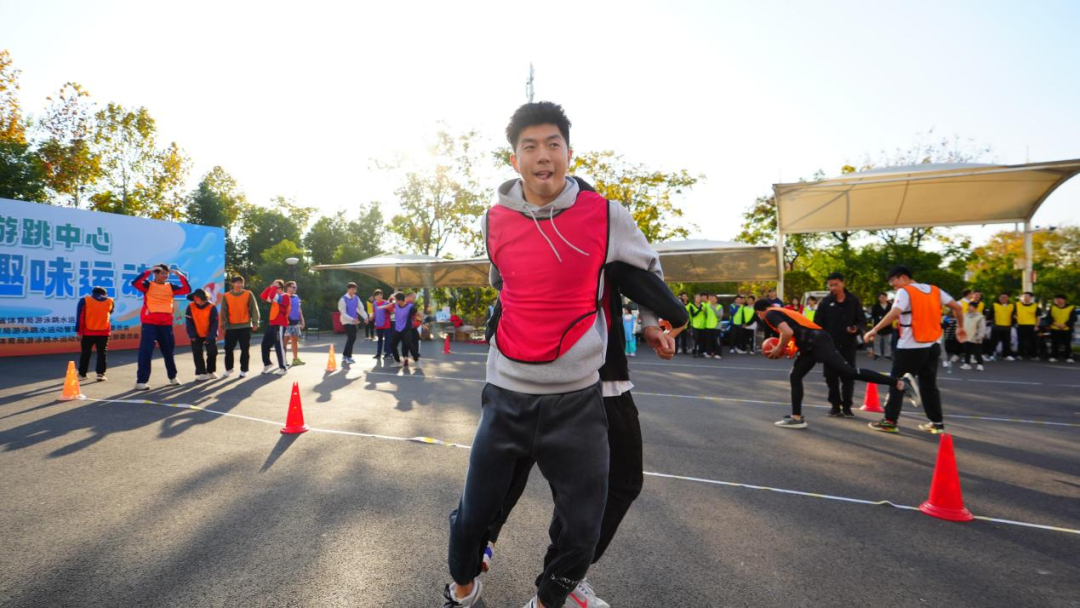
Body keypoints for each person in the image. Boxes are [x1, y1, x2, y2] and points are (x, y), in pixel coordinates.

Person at [443, 101, 667, 608]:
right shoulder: (494, 219)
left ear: (569, 153)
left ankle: (547, 600)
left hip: (579, 399)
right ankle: (463, 586)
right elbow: (503, 282)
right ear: (514, 158)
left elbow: (647, 271)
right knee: (474, 515)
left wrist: (652, 323)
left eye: (553, 144)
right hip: (506, 393)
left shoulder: (606, 214)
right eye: (530, 146)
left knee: (583, 527)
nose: (542, 155)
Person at [482, 259, 687, 608]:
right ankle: (557, 580)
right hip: (593, 378)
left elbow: (498, 286)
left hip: (528, 372)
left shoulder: (527, 238)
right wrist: (662, 320)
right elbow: (649, 271)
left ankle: (481, 555)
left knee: (522, 469)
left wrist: (652, 320)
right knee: (613, 484)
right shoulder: (604, 237)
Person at [756, 300, 912, 429]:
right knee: (795, 376)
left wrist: (779, 348)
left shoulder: (770, 314)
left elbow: (787, 332)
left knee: (849, 372)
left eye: (759, 315)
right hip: (812, 344)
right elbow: (797, 330)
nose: (760, 317)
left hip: (817, 342)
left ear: (760, 311)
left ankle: (898, 383)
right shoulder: (782, 311)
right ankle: (796, 417)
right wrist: (790, 349)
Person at [864, 265, 965, 435]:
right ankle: (936, 423)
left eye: (893, 281)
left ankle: (889, 421)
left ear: (903, 277)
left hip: (911, 346)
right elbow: (958, 307)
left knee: (897, 382)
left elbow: (895, 312)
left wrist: (874, 330)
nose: (893, 286)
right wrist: (961, 327)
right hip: (932, 345)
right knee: (929, 385)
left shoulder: (905, 291)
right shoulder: (935, 290)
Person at [814, 272, 866, 418]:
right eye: (830, 285)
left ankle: (847, 407)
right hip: (829, 347)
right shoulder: (825, 302)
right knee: (830, 377)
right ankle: (835, 406)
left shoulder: (853, 300)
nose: (833, 288)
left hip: (848, 345)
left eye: (836, 284)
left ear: (843, 283)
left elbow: (862, 320)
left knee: (848, 376)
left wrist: (857, 328)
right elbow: (817, 324)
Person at [132, 263, 191, 390]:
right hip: (149, 323)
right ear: (156, 273)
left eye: (167, 274)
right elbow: (135, 283)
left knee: (168, 351)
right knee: (146, 351)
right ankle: (141, 381)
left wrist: (180, 275)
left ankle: (173, 377)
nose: (165, 276)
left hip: (166, 324)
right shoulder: (148, 285)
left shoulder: (171, 286)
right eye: (162, 273)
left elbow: (187, 290)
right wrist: (149, 271)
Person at [220, 275, 260, 379]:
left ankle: (243, 370)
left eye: (241, 282)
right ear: (232, 284)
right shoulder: (226, 296)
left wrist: (255, 323)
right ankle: (229, 369)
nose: (239, 284)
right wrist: (223, 326)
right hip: (231, 327)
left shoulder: (248, 294)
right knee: (228, 349)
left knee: (245, 349)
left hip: (245, 326)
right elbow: (223, 312)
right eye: (237, 282)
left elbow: (254, 309)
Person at [75, 286, 114, 381]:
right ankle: (100, 374)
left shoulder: (85, 300)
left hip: (88, 332)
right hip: (104, 331)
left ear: (93, 293)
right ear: (104, 294)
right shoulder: (110, 301)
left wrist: (78, 330)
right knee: (102, 353)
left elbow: (80, 316)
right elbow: (110, 312)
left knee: (86, 353)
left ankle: (82, 374)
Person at [184, 288, 220, 380]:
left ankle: (211, 371)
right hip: (196, 334)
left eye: (197, 297)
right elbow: (189, 322)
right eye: (194, 297)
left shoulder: (212, 307)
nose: (195, 299)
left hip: (210, 334)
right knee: (197, 353)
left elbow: (214, 324)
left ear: (203, 297)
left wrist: (210, 336)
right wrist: (192, 335)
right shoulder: (190, 306)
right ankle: (202, 373)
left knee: (212, 353)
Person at [260, 279, 290, 375]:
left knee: (279, 345)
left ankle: (283, 367)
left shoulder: (285, 296)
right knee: (265, 344)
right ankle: (267, 363)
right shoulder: (274, 296)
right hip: (272, 324)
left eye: (275, 286)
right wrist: (270, 287)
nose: (273, 287)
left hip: (280, 324)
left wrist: (274, 287)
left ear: (280, 287)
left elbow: (272, 296)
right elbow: (263, 296)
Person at [338, 282, 367, 365]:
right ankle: (348, 357)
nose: (353, 291)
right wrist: (352, 319)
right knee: (351, 337)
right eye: (352, 289)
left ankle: (345, 355)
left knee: (352, 338)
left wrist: (366, 317)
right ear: (348, 289)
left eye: (355, 289)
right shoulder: (343, 299)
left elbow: (360, 309)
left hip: (354, 321)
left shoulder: (356, 298)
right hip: (346, 321)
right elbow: (343, 313)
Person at [282, 282, 306, 366]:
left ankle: (295, 359)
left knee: (295, 340)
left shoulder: (296, 297)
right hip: (287, 323)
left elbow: (299, 309)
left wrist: (302, 320)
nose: (295, 288)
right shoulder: (284, 296)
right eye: (293, 287)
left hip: (295, 322)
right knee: (285, 340)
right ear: (288, 287)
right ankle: (283, 360)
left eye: (296, 287)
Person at [988, 293, 1016, 361]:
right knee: (993, 342)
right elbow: (990, 316)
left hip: (1007, 326)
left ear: (1007, 298)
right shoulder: (994, 305)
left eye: (1005, 297)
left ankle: (1006, 355)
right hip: (996, 326)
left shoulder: (1011, 306)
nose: (1003, 299)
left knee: (1007, 342)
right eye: (1002, 297)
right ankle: (991, 354)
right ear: (999, 298)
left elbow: (1014, 316)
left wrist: (1014, 322)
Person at [1048, 295, 1076, 363]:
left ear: (1064, 300)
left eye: (1059, 299)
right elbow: (1049, 317)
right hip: (1055, 328)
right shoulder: (1052, 307)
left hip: (1066, 328)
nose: (1057, 301)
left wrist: (1065, 325)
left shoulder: (1071, 307)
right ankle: (1054, 356)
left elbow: (1073, 318)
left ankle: (1068, 357)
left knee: (1067, 344)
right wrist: (1055, 324)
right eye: (1056, 299)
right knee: (1054, 343)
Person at [1015, 291, 1041, 360]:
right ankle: (1020, 355)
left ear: (1031, 298)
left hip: (1032, 325)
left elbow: (1038, 317)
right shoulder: (1017, 305)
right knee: (1021, 341)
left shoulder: (1035, 306)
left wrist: (1037, 326)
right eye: (1024, 296)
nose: (1025, 298)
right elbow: (1013, 314)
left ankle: (1034, 355)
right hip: (1021, 325)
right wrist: (1016, 319)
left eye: (1027, 296)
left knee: (1033, 341)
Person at [960, 304, 987, 371]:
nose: (968, 308)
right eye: (968, 306)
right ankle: (967, 364)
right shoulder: (964, 315)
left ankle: (980, 365)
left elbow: (982, 327)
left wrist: (980, 336)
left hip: (976, 336)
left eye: (970, 306)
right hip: (966, 336)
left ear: (975, 308)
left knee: (977, 352)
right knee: (967, 351)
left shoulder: (980, 316)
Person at [869, 293, 893, 361]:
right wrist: (873, 327)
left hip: (888, 326)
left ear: (886, 297)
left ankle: (887, 355)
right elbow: (873, 317)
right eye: (881, 297)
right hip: (877, 326)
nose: (882, 298)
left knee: (888, 342)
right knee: (877, 341)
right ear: (878, 298)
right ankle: (877, 354)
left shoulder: (890, 306)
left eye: (884, 297)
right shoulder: (875, 306)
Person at [371, 289, 391, 359]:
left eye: (380, 294)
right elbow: (374, 312)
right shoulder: (374, 303)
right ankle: (378, 353)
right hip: (378, 324)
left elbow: (391, 310)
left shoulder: (386, 303)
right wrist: (371, 317)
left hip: (386, 324)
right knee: (379, 339)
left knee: (387, 339)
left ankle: (387, 353)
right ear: (375, 297)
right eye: (377, 295)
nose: (379, 296)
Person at [687, 293, 706, 357]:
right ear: (694, 299)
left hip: (703, 325)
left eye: (699, 297)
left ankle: (700, 352)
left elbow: (706, 314)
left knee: (702, 340)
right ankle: (694, 352)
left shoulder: (703, 305)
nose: (698, 298)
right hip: (695, 325)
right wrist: (699, 310)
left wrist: (704, 311)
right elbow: (693, 315)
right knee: (695, 340)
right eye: (697, 297)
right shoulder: (691, 306)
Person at [704, 293, 722, 359]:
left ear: (717, 299)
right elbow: (706, 314)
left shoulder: (719, 306)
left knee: (717, 341)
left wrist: (714, 308)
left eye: (714, 298)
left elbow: (719, 316)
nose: (713, 300)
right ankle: (709, 353)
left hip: (716, 326)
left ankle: (718, 353)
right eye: (711, 298)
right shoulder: (707, 306)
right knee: (709, 341)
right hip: (708, 326)